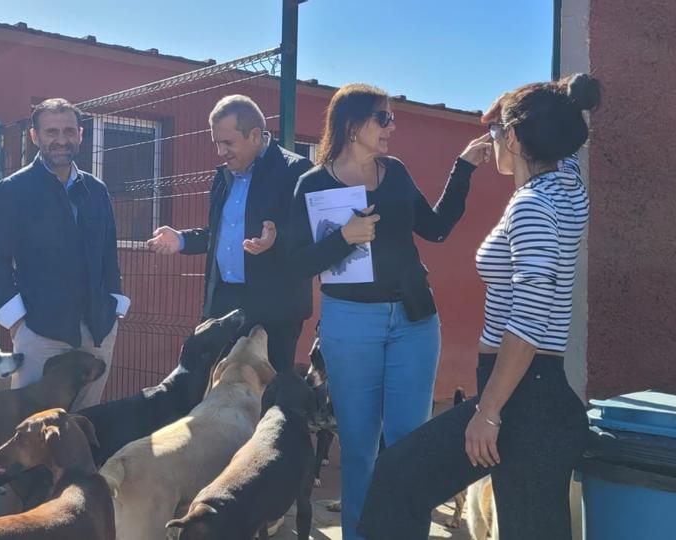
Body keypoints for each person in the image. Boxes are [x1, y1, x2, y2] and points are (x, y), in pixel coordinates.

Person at [357, 73, 602, 540]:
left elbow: (528, 322)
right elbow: (559, 133)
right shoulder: (569, 186)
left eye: (497, 132)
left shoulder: (532, 206)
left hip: (521, 396)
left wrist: (488, 413)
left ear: (513, 136)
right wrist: (525, 108)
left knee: (398, 478)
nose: (491, 140)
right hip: (534, 397)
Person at [286, 83, 489, 540]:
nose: (391, 127)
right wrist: (344, 238)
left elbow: (435, 229)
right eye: (383, 118)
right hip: (350, 323)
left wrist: (463, 169)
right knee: (359, 448)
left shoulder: (394, 172)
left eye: (392, 118)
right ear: (351, 124)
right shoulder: (312, 183)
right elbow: (295, 262)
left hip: (414, 322)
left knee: (408, 444)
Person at [0, 98, 128, 410]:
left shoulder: (97, 190)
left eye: (69, 131)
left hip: (98, 329)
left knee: (84, 423)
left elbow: (108, 255)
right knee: (32, 428)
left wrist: (116, 306)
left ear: (81, 135)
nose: (62, 140)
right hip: (39, 331)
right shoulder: (12, 190)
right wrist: (19, 324)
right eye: (52, 132)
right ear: (35, 136)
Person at [146, 94, 313, 373]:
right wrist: (182, 239)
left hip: (274, 313)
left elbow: (311, 236)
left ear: (255, 135)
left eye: (228, 143)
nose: (221, 152)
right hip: (224, 307)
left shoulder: (295, 171)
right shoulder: (223, 176)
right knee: (214, 394)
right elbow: (221, 233)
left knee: (264, 401)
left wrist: (276, 240)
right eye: (217, 143)